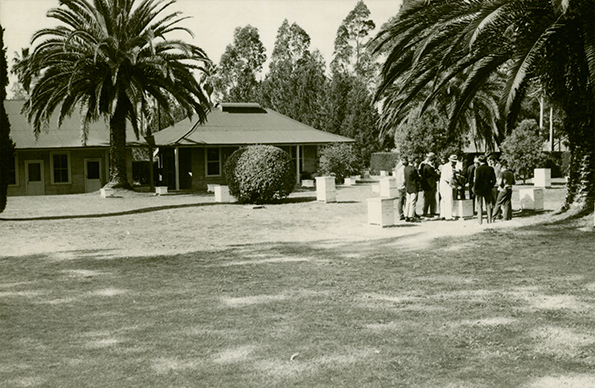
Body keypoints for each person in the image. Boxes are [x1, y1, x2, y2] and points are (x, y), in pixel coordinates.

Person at [473, 155, 496, 224]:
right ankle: (489, 219)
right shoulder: (490, 169)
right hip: (487, 188)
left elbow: (477, 180)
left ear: (479, 161)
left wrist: (475, 188)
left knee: (479, 205)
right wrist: (491, 185)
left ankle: (480, 220)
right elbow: (494, 180)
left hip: (480, 189)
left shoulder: (478, 169)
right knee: (488, 204)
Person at [419, 152, 440, 217]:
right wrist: (438, 173)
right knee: (429, 199)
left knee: (428, 199)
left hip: (427, 185)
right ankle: (428, 212)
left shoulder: (423, 165)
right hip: (430, 184)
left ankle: (429, 211)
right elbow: (434, 175)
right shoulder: (428, 167)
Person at [439, 154, 458, 220]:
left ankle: (443, 214)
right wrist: (455, 185)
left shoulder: (445, 166)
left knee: (443, 200)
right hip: (447, 184)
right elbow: (450, 178)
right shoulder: (449, 167)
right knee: (448, 200)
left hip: (442, 184)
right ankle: (448, 216)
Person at [404, 157, 421, 222]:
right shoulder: (413, 169)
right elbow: (417, 178)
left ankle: (406, 215)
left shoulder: (405, 168)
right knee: (412, 202)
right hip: (413, 186)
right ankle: (411, 216)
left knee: (408, 201)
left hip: (408, 187)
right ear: (413, 162)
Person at [395, 156, 407, 221]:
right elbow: (403, 178)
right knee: (403, 200)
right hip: (402, 186)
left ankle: (401, 214)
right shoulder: (402, 167)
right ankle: (403, 214)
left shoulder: (397, 167)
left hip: (399, 185)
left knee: (401, 200)